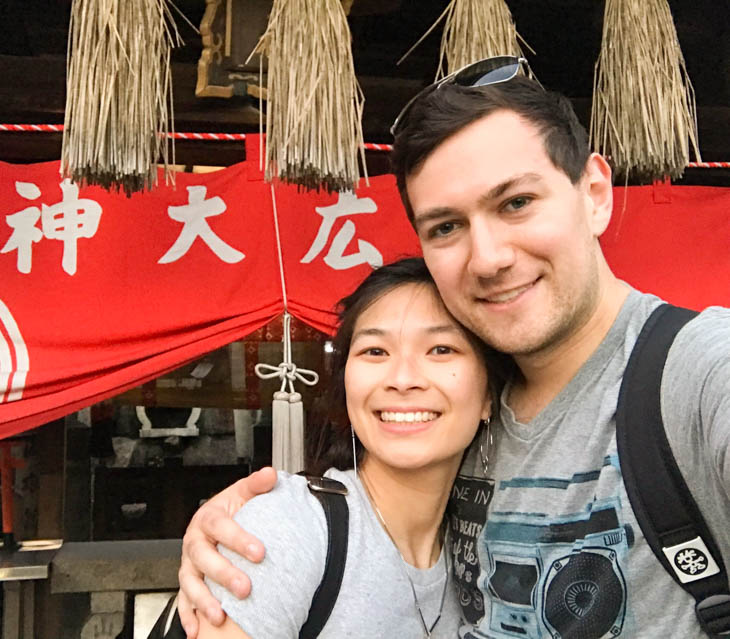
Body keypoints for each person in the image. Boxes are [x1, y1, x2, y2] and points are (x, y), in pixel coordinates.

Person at [178, 57, 730, 638]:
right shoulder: (458, 418)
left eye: (516, 203)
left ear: (594, 193)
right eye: (446, 227)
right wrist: (243, 533)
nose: (488, 258)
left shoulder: (695, 374)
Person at [194, 257, 496, 638]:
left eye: (440, 349)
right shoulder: (290, 527)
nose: (402, 379)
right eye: (375, 351)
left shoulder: (482, 554)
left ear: (489, 394)